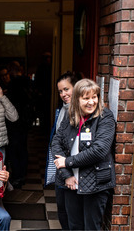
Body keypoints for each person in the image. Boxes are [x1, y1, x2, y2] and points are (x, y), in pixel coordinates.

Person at [52, 78, 116, 230]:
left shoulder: (105, 117)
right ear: (76, 99)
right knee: (74, 226)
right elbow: (56, 143)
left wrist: (67, 162)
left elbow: (99, 150)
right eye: (86, 98)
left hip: (96, 184)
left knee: (91, 227)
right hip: (71, 183)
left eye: (94, 97)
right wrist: (67, 174)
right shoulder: (70, 115)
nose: (91, 102)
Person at [44, 72, 78, 230]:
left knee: (72, 216)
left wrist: (68, 172)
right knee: (62, 211)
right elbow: (56, 141)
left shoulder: (80, 111)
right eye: (60, 91)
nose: (63, 94)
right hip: (61, 169)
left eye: (66, 89)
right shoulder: (62, 110)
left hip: (73, 170)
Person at [6, 61, 31, 188]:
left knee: (14, 149)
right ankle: (22, 175)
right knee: (22, 148)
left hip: (14, 121)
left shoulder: (13, 84)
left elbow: (10, 103)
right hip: (24, 120)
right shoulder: (28, 81)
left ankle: (17, 176)